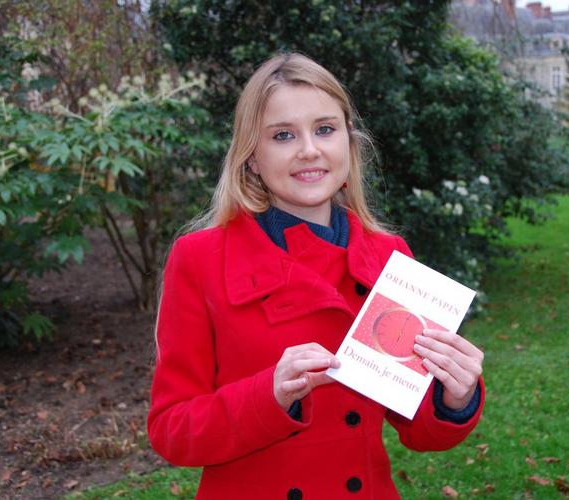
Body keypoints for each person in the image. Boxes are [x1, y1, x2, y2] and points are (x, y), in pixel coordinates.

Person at [147, 53, 485, 500]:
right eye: (283, 135)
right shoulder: (200, 258)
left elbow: (419, 430)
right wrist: (267, 395)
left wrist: (454, 398)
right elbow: (172, 431)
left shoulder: (390, 257)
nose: (309, 149)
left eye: (325, 129)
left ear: (349, 142)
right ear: (250, 157)